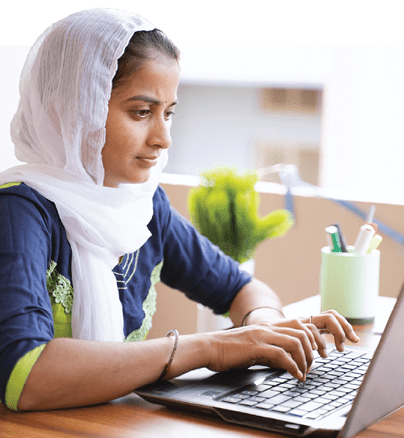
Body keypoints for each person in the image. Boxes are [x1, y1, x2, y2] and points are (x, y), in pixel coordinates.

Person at [0, 6, 359, 412]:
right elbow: (25, 377)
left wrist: (265, 332)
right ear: (65, 109)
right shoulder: (20, 209)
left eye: (168, 113)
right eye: (141, 112)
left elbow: (243, 288)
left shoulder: (143, 206)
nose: (163, 138)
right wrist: (210, 348)